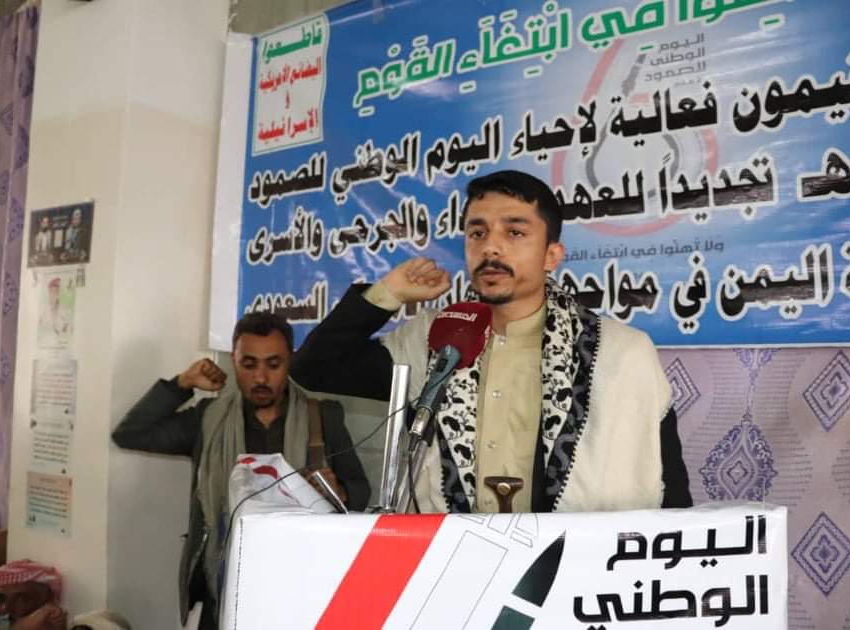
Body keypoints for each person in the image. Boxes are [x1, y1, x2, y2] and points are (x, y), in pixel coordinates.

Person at [292, 169, 692, 514]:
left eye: (514, 232)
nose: (490, 247)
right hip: (449, 561)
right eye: (477, 233)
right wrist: (388, 293)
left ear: (552, 256)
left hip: (576, 565)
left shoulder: (619, 352)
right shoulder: (436, 338)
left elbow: (669, 488)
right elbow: (314, 369)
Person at [112, 311, 369, 630]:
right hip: (222, 585)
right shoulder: (209, 421)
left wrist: (339, 491)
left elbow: (360, 490)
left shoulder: (322, 417)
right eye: (249, 365)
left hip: (300, 585)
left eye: (273, 364)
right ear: (234, 362)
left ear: (290, 361)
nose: (260, 378)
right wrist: (182, 383)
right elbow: (130, 434)